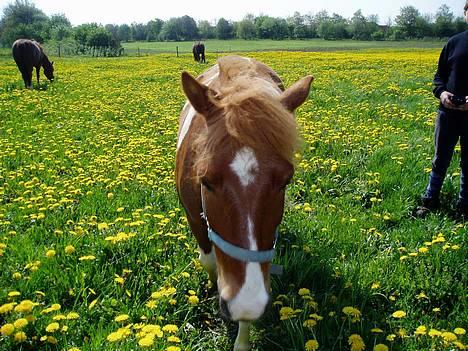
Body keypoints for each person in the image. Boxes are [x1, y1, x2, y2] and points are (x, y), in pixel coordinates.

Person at [416, 1, 468, 218]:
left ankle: (465, 205)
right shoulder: (454, 43)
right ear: (465, 14)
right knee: (440, 157)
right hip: (447, 113)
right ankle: (430, 199)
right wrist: (442, 93)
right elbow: (439, 77)